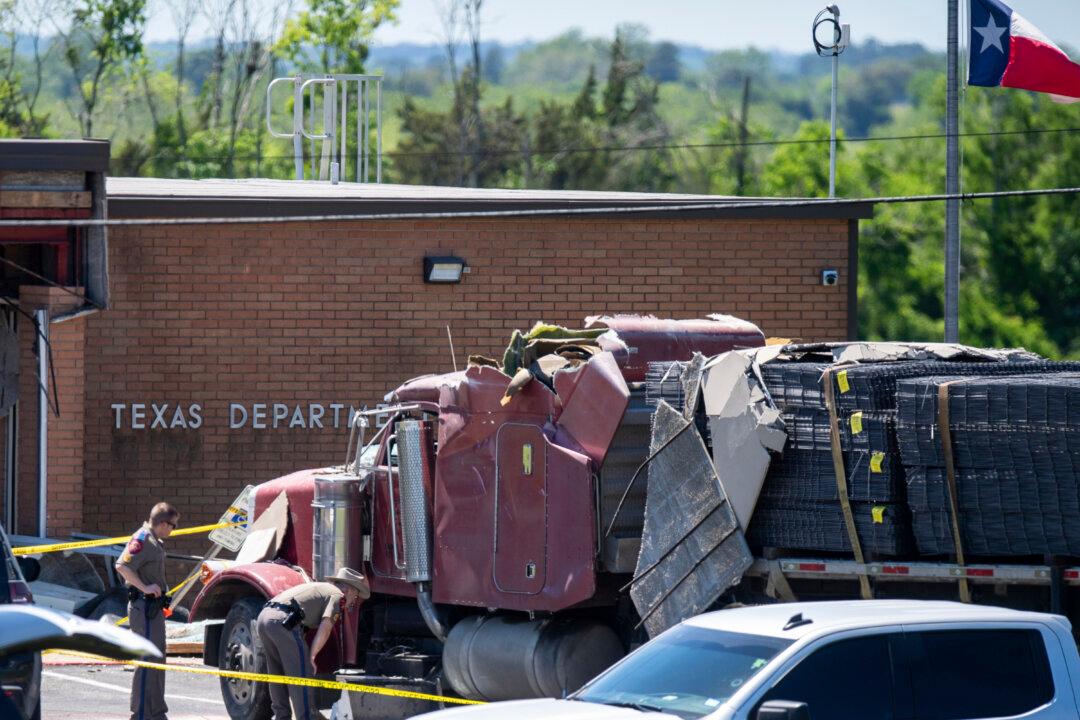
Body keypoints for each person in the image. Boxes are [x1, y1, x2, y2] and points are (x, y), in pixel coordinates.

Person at [256, 567, 371, 720]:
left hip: (264, 618)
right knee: (302, 675)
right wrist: (311, 657)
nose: (354, 601)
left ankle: (281, 716)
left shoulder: (321, 589)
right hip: (282, 622)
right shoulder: (338, 595)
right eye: (356, 596)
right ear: (349, 590)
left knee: (277, 674)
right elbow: (326, 627)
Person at [115, 501, 180, 720]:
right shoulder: (142, 539)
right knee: (146, 660)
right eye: (173, 525)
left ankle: (157, 713)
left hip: (152, 609)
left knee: (157, 659)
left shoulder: (155, 540)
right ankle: (141, 714)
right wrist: (145, 587)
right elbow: (122, 566)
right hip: (143, 608)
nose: (173, 529)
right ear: (163, 523)